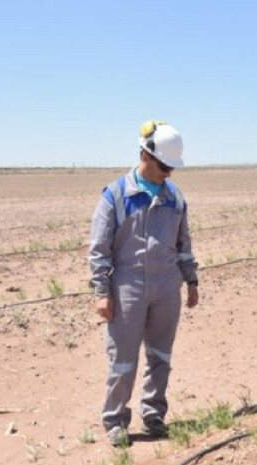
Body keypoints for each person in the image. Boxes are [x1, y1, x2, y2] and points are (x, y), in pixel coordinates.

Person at [88, 120, 199, 447]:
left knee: (160, 355)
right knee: (123, 359)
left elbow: (183, 242)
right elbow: (99, 250)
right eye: (164, 166)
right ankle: (115, 421)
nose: (169, 173)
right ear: (144, 155)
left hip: (167, 286)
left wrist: (191, 280)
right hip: (128, 286)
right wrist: (101, 292)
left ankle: (153, 414)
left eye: (172, 167)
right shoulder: (116, 195)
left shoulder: (174, 197)